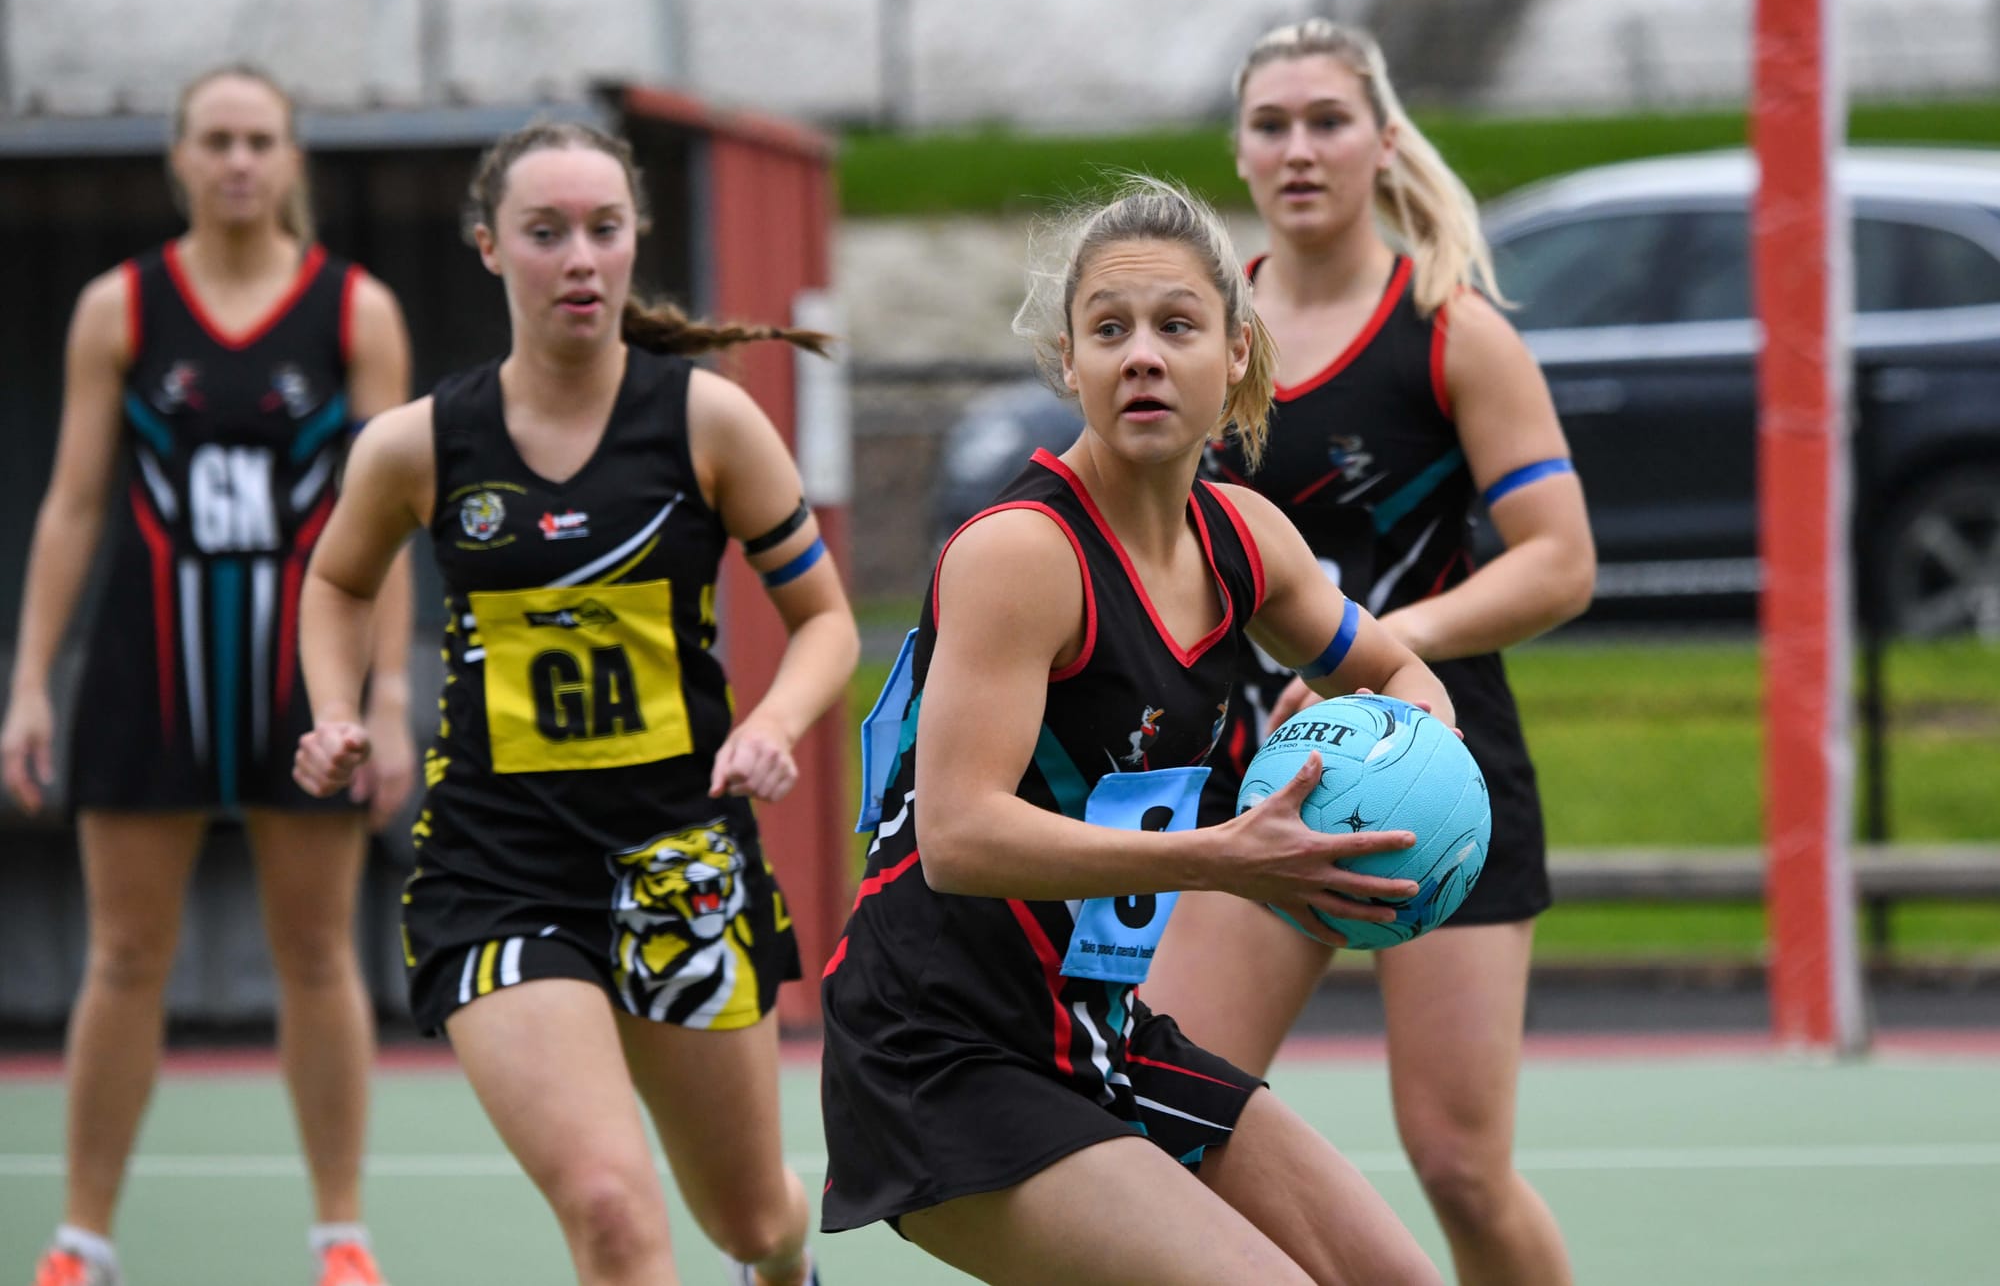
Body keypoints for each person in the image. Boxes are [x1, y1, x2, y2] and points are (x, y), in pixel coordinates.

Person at [819, 177, 1454, 1286]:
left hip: (1097, 1032)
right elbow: (960, 837)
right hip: (938, 1049)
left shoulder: (1246, 540)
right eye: (1108, 330)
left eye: (1176, 326)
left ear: (1236, 352)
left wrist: (1393, 743)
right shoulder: (1022, 554)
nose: (1142, 356)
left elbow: (1403, 670)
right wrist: (1221, 857)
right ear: (1068, 362)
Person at [290, 120, 857, 1286]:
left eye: (603, 229)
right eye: (545, 233)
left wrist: (770, 724)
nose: (580, 258)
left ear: (636, 236)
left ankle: (782, 1265)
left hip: (679, 861)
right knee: (608, 1208)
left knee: (749, 1215)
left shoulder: (706, 422)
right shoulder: (420, 445)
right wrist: (335, 708)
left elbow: (826, 622)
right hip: (497, 867)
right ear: (490, 246)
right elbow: (338, 580)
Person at [1144, 20, 1597, 1286]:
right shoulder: (1202, 331)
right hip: (1258, 771)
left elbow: (1558, 560)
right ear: (1239, 151)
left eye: (1326, 121)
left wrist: (1385, 648)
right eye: (1271, 124)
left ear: (1381, 143)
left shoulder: (1449, 330)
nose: (1298, 148)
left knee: (1458, 1164)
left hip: (1433, 759)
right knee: (1170, 1110)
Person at [1, 64, 415, 1286]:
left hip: (303, 685)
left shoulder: (356, 312)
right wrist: (30, 681)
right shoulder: (119, 308)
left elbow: (388, 516)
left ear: (292, 159)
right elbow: (75, 504)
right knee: (125, 955)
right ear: (178, 158)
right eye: (217, 140)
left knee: (318, 953)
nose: (238, 161)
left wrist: (388, 695)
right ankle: (83, 1237)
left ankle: (341, 1233)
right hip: (148, 671)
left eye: (259, 140)